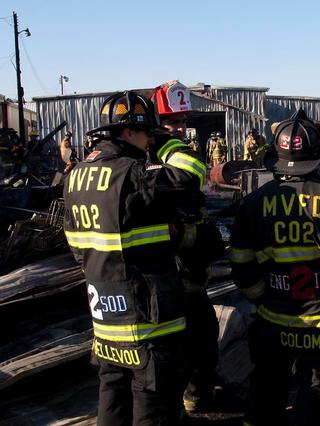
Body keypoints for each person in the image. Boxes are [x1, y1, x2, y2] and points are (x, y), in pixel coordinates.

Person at [63, 91, 201, 424]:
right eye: (147, 133)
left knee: (111, 393)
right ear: (127, 132)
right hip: (145, 316)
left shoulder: (76, 176)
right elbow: (190, 176)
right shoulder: (132, 174)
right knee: (152, 401)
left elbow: (75, 244)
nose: (150, 139)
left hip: (104, 311)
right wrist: (169, 144)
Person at [230, 109, 320, 426]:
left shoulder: (254, 202)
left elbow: (240, 262)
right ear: (317, 156)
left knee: (265, 396)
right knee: (316, 402)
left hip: (272, 323)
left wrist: (260, 297)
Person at [154, 81, 224, 413]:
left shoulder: (156, 156)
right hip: (174, 268)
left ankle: (196, 396)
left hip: (187, 265)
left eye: (182, 121)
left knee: (200, 334)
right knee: (194, 338)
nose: (179, 128)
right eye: (171, 122)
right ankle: (190, 400)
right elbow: (195, 171)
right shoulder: (163, 152)